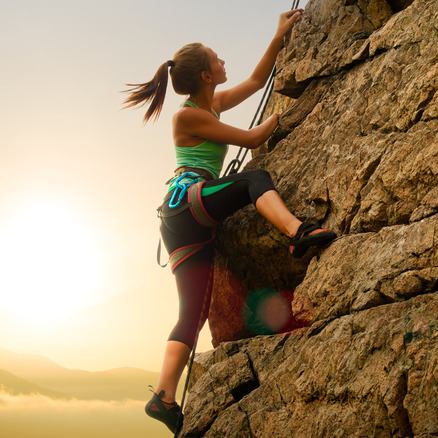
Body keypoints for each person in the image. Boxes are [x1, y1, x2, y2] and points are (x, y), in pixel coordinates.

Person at [123, 9, 336, 435]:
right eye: (218, 59)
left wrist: (277, 37)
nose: (224, 61)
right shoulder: (189, 117)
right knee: (253, 178)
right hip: (190, 201)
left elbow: (257, 83)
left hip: (183, 220)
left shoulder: (211, 104)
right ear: (205, 75)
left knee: (194, 313)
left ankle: (163, 398)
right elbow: (256, 139)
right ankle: (297, 231)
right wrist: (297, 111)